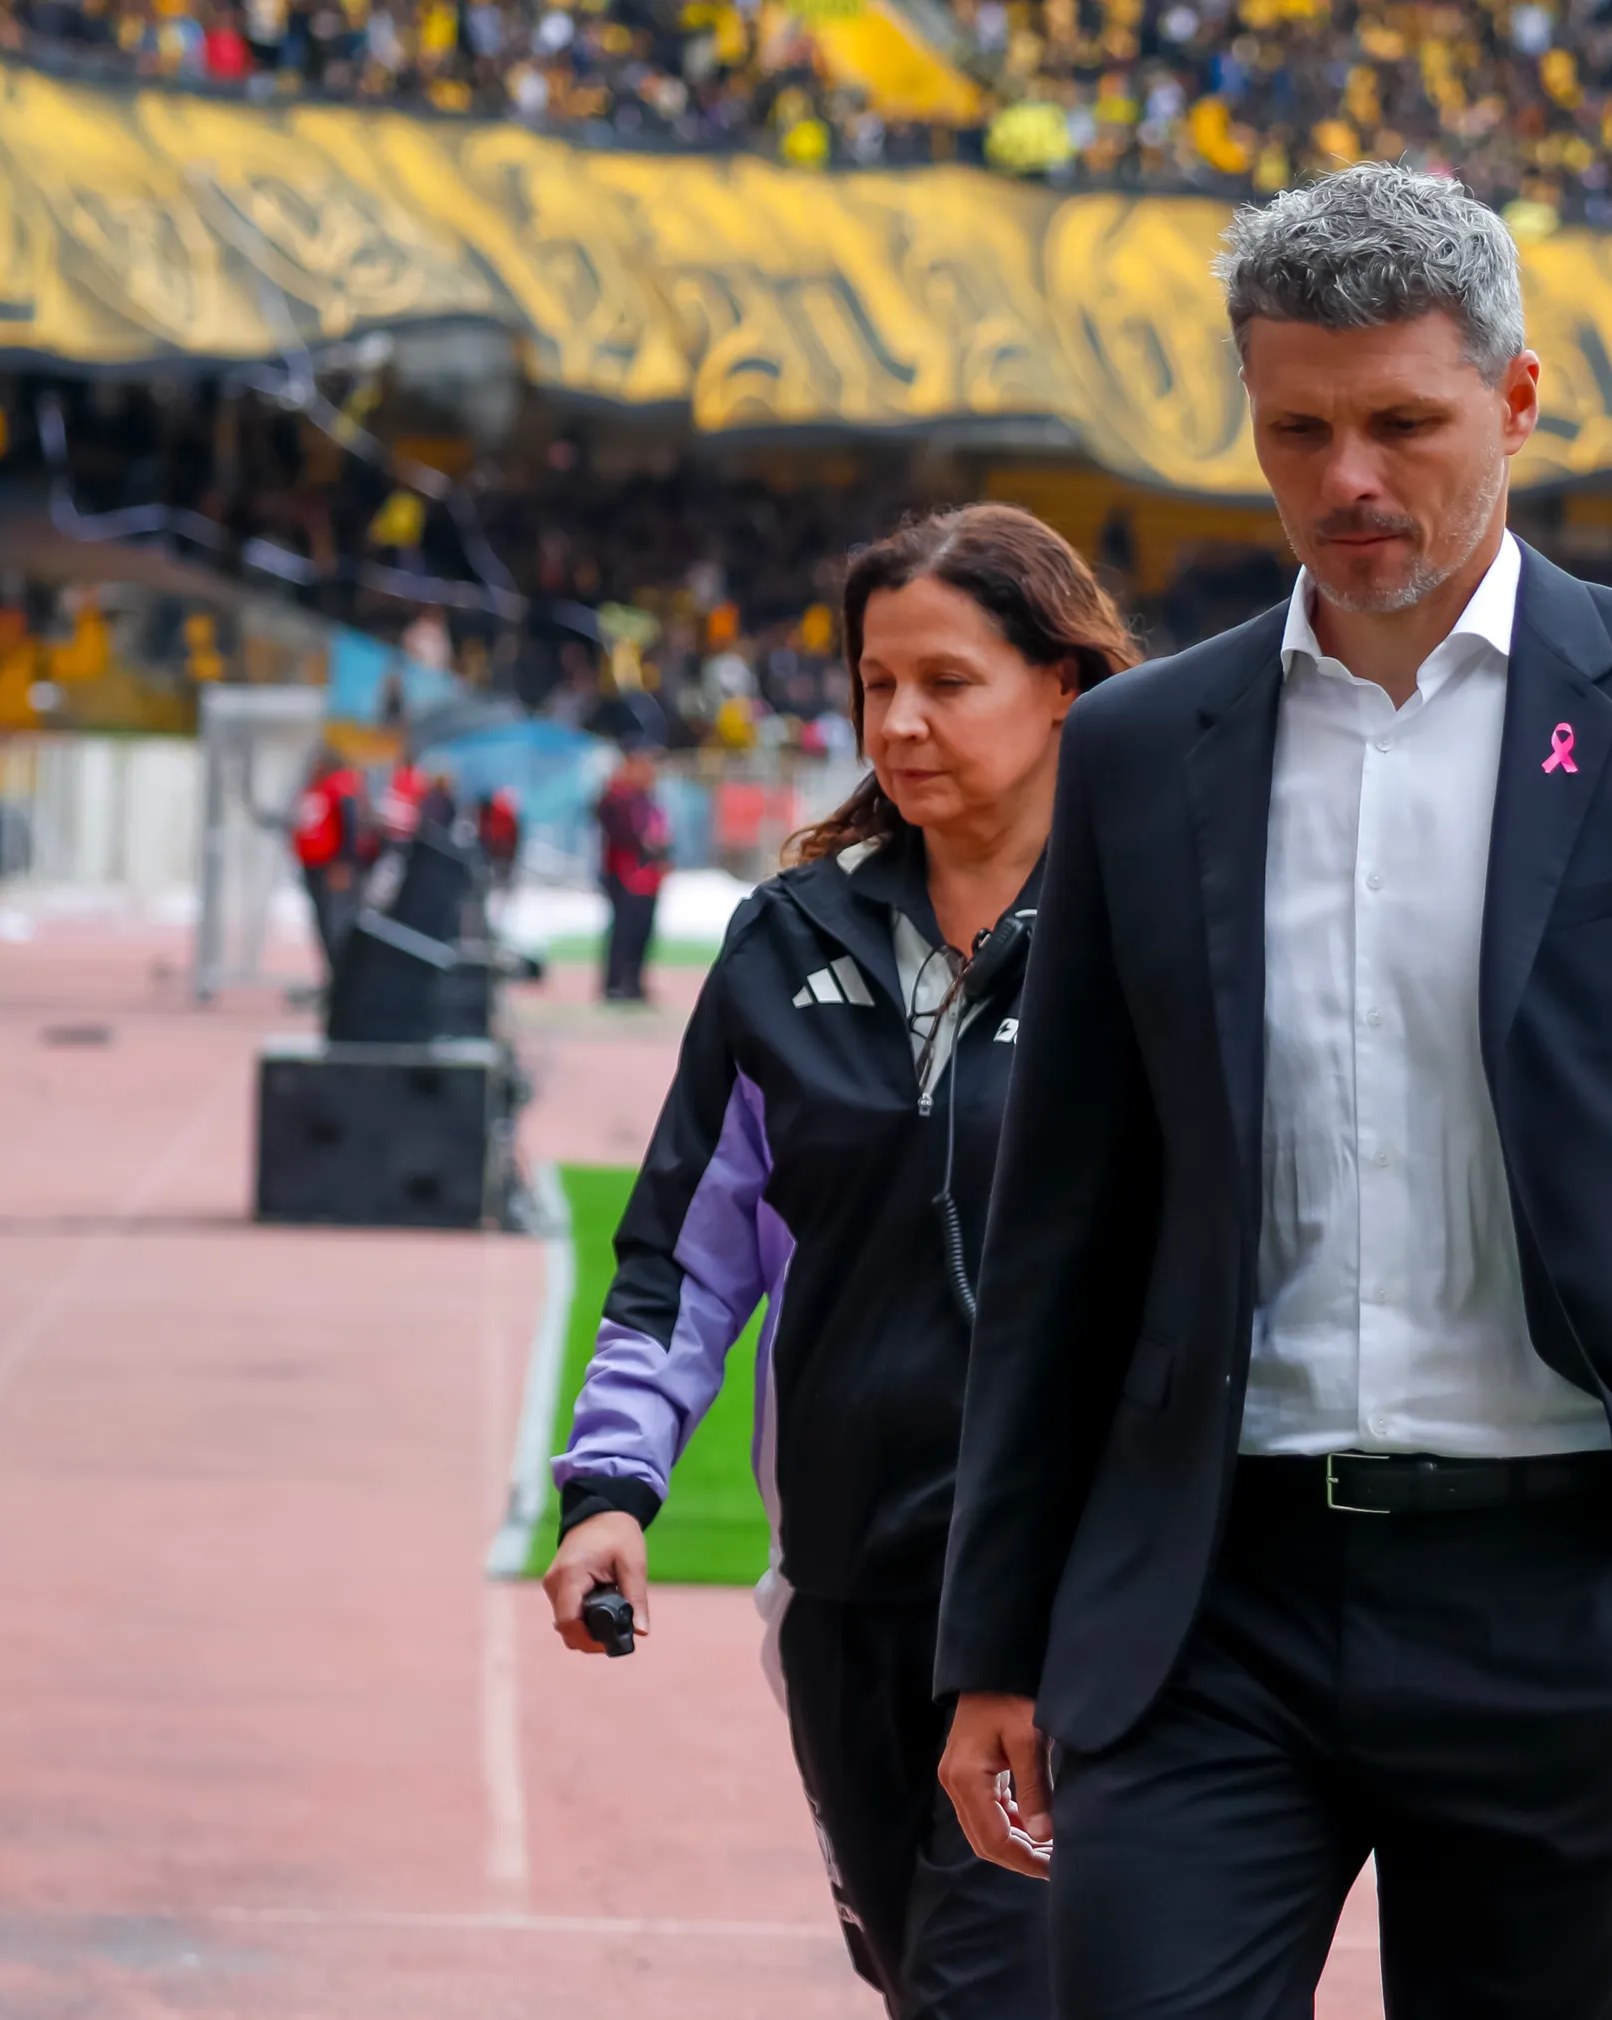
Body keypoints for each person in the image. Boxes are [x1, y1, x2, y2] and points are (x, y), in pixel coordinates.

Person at [930, 165, 1612, 2020]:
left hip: (1576, 1600)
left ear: (1515, 403)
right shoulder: (1138, 747)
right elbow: (1065, 1221)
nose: (1347, 477)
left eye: (1401, 423)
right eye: (1297, 428)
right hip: (1210, 1593)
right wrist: (997, 1642)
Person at [542, 504, 1139, 2020]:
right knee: (920, 1982)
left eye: (948, 680)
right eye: (877, 685)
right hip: (841, 1596)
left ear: (1061, 683)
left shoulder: (1154, 938)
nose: (900, 721)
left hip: (1075, 1597)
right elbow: (687, 1249)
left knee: (992, 1993)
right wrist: (614, 1489)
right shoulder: (780, 940)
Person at [592, 743, 671, 1003]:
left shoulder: (648, 800)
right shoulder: (617, 797)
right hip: (625, 874)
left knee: (643, 931)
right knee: (623, 932)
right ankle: (616, 983)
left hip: (649, 877)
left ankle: (634, 982)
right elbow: (614, 827)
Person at [288, 743, 364, 982]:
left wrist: (343, 862)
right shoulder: (314, 788)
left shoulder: (339, 787)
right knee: (322, 921)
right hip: (312, 865)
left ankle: (343, 976)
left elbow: (348, 823)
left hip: (330, 865)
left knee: (335, 922)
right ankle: (333, 975)